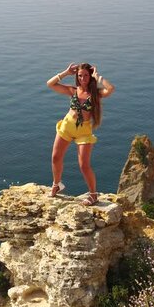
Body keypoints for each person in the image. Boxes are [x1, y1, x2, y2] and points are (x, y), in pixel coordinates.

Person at [46, 63, 115, 205]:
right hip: (67, 126)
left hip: (83, 131)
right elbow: (50, 84)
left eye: (86, 75)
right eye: (80, 75)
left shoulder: (95, 94)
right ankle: (56, 185)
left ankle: (93, 194)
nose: (83, 78)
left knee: (84, 165)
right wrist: (65, 72)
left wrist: (98, 77)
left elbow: (110, 89)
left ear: (90, 76)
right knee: (55, 157)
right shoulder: (73, 90)